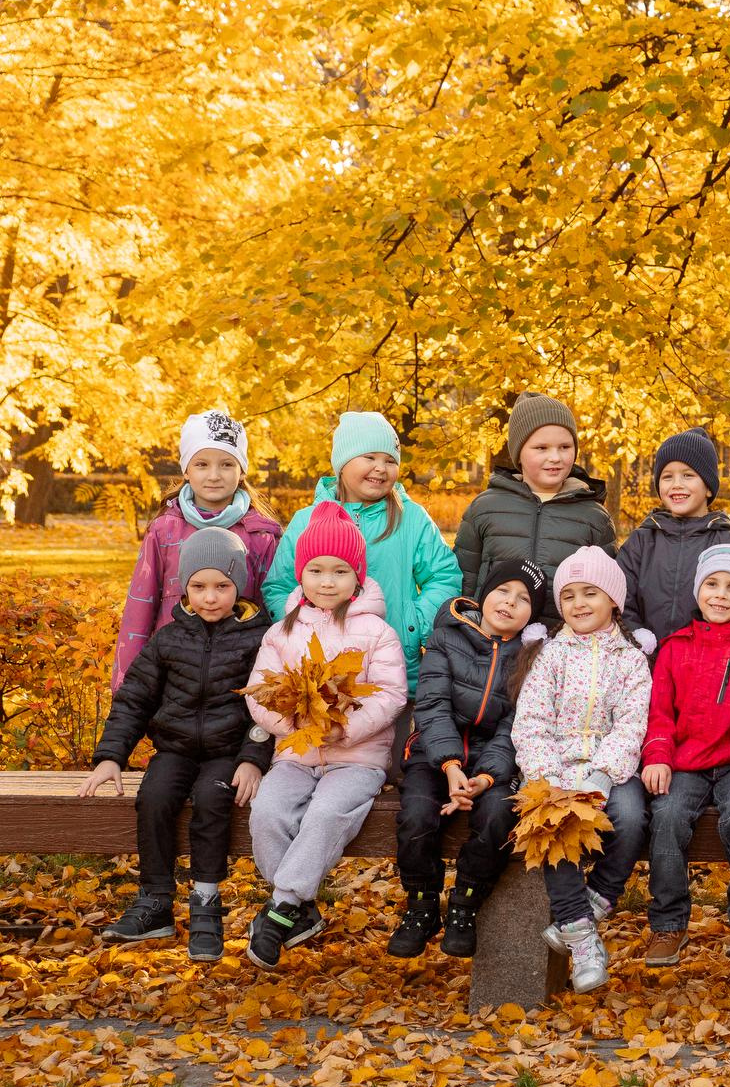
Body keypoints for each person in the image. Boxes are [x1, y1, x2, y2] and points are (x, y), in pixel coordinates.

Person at [83, 528, 274, 960]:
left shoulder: (258, 638)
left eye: (222, 586)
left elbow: (269, 708)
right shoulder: (169, 638)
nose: (210, 597)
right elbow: (134, 699)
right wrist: (111, 757)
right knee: (153, 798)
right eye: (199, 586)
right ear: (184, 587)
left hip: (227, 752)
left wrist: (252, 758)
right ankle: (155, 900)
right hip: (175, 748)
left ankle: (206, 901)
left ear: (239, 586)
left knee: (212, 799)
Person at [243, 504, 409, 969]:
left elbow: (391, 694)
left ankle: (280, 909)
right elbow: (259, 693)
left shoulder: (376, 632)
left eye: (340, 571)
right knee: (268, 813)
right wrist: (292, 726)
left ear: (358, 576)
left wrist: (344, 728)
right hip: (295, 755)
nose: (327, 581)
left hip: (358, 758)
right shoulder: (281, 632)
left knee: (326, 814)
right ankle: (299, 908)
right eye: (316, 570)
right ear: (301, 574)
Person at [511, 546, 654, 994]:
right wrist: (549, 778)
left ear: (613, 600)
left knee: (630, 817)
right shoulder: (551, 655)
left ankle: (595, 902)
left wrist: (603, 775)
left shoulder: (630, 659)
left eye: (589, 593)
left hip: (611, 769)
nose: (578, 604)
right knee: (555, 825)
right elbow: (531, 721)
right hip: (553, 767)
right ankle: (582, 939)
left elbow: (632, 723)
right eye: (568, 596)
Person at [387, 558, 547, 959]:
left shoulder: (531, 657)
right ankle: (421, 905)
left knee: (498, 816)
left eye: (523, 599)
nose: (509, 603)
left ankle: (465, 903)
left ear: (532, 615)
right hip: (434, 754)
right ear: (484, 594)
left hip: (494, 760)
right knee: (416, 817)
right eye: (502, 591)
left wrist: (487, 777)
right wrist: (451, 766)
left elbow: (516, 725)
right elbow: (433, 704)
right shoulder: (447, 637)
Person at [639, 543, 730, 965]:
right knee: (666, 816)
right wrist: (658, 755)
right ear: (698, 590)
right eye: (712, 585)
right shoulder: (675, 647)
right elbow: (659, 713)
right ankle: (668, 924)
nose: (720, 595)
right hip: (685, 763)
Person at [263, 411, 460, 698]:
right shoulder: (306, 521)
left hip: (392, 671)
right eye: (370, 457)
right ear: (342, 463)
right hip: (319, 673)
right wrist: (297, 630)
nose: (381, 468)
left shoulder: (411, 519)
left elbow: (443, 576)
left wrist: (414, 624)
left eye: (390, 461)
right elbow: (279, 586)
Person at [113, 409, 282, 690]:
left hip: (237, 679)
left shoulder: (261, 536)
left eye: (226, 464)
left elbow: (271, 612)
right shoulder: (164, 531)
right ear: (186, 470)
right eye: (202, 464)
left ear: (241, 471)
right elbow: (140, 609)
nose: (214, 475)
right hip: (174, 678)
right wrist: (126, 686)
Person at [453, 394, 616, 624]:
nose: (555, 457)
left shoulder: (594, 517)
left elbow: (608, 590)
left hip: (563, 638)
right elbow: (463, 580)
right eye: (541, 448)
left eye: (565, 447)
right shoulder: (485, 508)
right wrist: (464, 628)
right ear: (519, 453)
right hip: (491, 637)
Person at [619, 427, 730, 640]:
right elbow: (621, 600)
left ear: (708, 487)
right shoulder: (641, 541)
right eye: (667, 477)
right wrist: (638, 640)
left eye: (688, 475)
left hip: (705, 655)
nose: (677, 484)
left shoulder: (727, 543)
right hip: (642, 654)